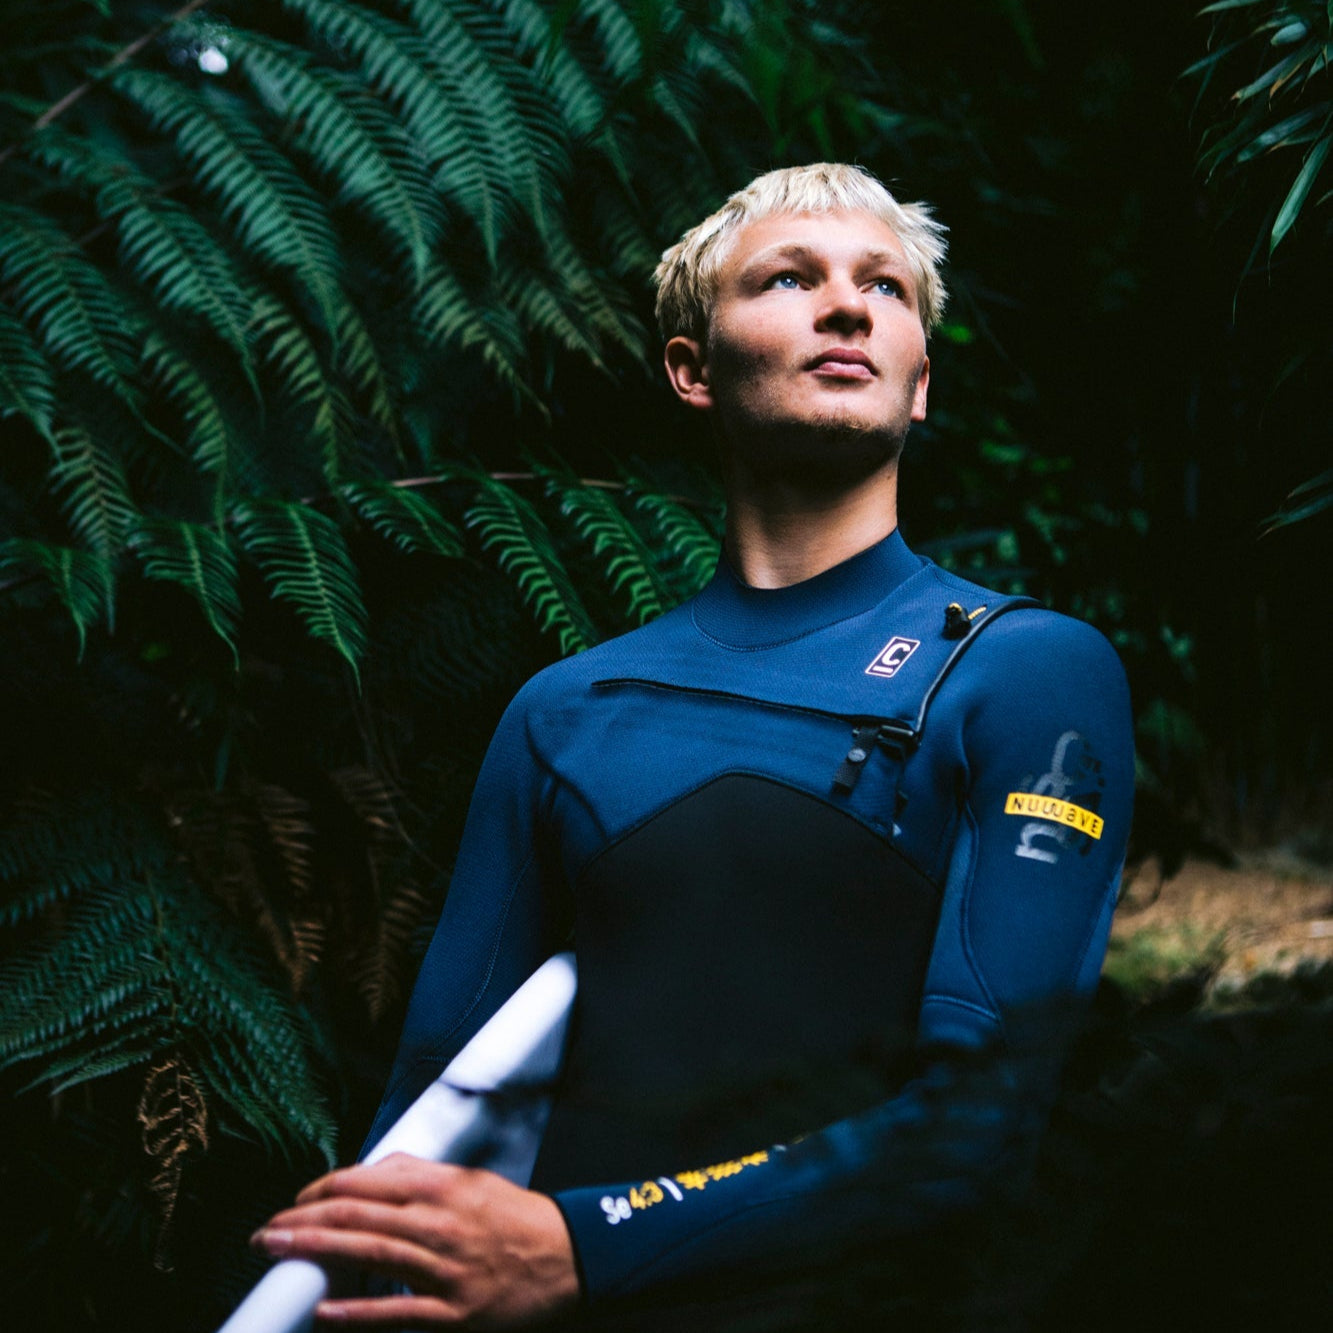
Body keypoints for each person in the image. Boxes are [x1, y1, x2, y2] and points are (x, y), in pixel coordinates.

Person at [252, 164, 1134, 1329]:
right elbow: (429, 1117)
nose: (846, 305)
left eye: (884, 287)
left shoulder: (1025, 672)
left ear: (920, 381)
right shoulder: (566, 709)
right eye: (788, 278)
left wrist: (583, 1244)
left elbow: (976, 1127)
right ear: (691, 368)